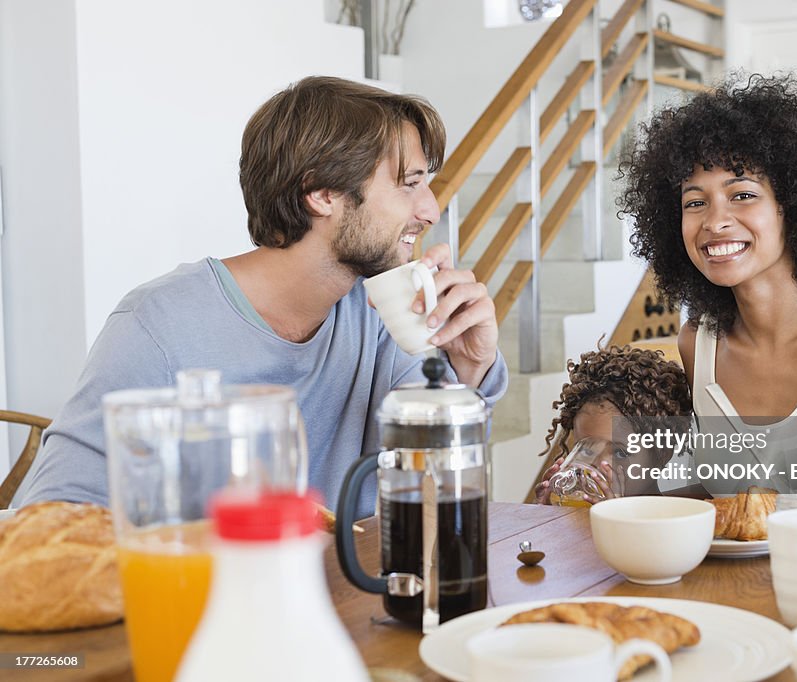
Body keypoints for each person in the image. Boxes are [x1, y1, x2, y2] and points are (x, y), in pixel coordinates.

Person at [18, 77, 508, 517]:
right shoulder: (158, 327)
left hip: (351, 606)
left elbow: (437, 494)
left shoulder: (382, 316)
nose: (430, 209)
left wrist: (469, 373)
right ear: (321, 194)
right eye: (410, 184)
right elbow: (51, 524)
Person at [619, 74, 797, 513]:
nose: (715, 221)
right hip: (719, 584)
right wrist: (622, 498)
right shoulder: (697, 341)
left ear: (792, 206)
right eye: (694, 202)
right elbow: (722, 496)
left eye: (742, 195)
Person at [533, 342, 691, 504]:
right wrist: (544, 514)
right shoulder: (577, 507)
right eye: (587, 451)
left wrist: (613, 519)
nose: (597, 467)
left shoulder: (671, 521)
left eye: (620, 453)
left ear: (662, 454)